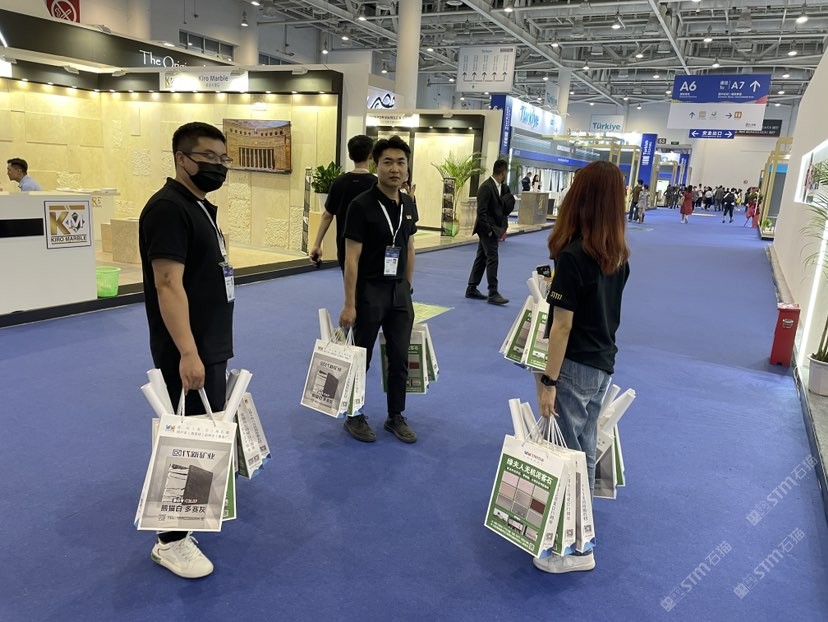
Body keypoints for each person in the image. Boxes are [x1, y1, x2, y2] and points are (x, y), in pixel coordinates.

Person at [138, 122, 235, 579]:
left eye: (223, 158)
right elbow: (167, 283)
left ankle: (186, 521)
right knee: (185, 439)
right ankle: (170, 541)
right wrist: (189, 353)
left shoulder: (198, 206)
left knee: (199, 433)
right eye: (208, 157)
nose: (218, 166)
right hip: (188, 348)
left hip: (208, 341)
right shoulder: (168, 208)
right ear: (182, 158)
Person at [533, 160, 630, 574]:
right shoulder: (617, 256)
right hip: (602, 362)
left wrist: (548, 380)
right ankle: (580, 534)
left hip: (573, 366)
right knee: (583, 450)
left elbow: (562, 326)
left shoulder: (574, 256)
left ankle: (574, 548)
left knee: (566, 453)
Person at [339, 135, 418, 444]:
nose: (394, 169)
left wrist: (408, 286)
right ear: (376, 165)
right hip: (369, 291)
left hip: (399, 292)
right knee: (362, 356)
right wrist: (349, 303)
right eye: (387, 162)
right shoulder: (361, 205)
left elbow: (409, 246)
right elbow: (351, 258)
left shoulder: (408, 203)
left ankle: (395, 415)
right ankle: (354, 414)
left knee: (400, 357)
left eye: (400, 162)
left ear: (407, 167)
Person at [309, 135, 375, 270]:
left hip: (345, 246)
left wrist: (317, 244)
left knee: (349, 280)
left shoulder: (339, 182)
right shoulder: (377, 184)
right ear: (371, 155)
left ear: (350, 155)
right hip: (372, 247)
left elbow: (327, 216)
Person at [465, 159, 511, 306]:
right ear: (503, 172)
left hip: (494, 228)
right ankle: (493, 292)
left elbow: (503, 208)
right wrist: (489, 231)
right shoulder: (486, 187)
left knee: (482, 258)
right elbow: (481, 212)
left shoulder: (502, 187)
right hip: (487, 229)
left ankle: (471, 288)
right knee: (492, 258)